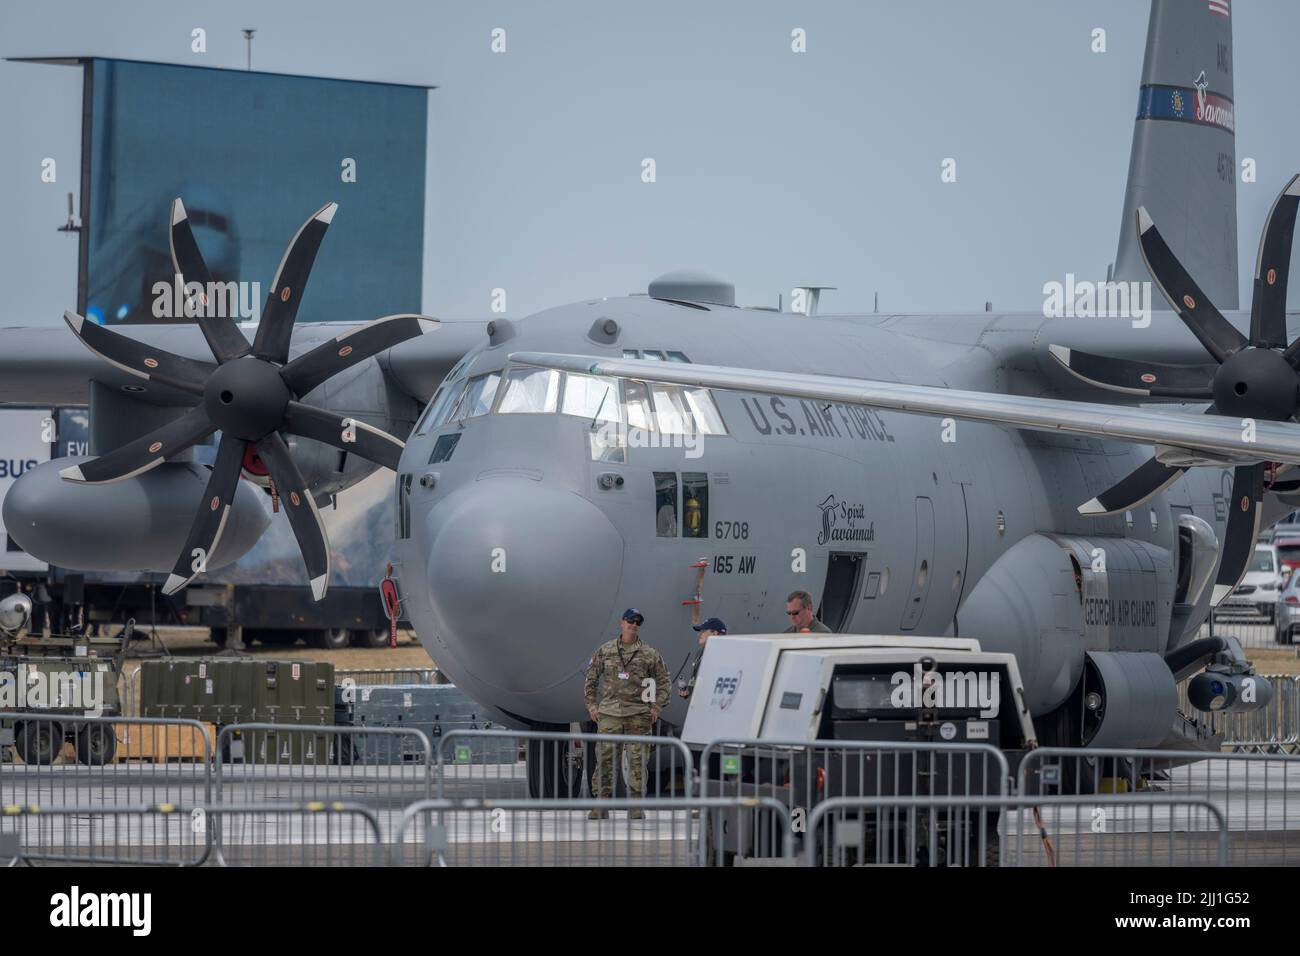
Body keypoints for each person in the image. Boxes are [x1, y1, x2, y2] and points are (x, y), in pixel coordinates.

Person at [583, 608, 670, 819]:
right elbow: (591, 680)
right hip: (610, 715)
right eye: (630, 620)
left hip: (638, 716)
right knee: (604, 760)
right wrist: (592, 707)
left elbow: (664, 682)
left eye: (638, 622)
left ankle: (636, 806)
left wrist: (657, 707)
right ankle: (601, 804)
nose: (634, 624)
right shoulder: (606, 651)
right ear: (621, 623)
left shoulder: (649, 654)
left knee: (638, 762)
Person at [678, 617, 726, 700]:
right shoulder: (700, 652)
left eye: (703, 631)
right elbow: (694, 680)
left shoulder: (726, 654)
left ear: (715, 633)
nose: (699, 634)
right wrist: (688, 691)